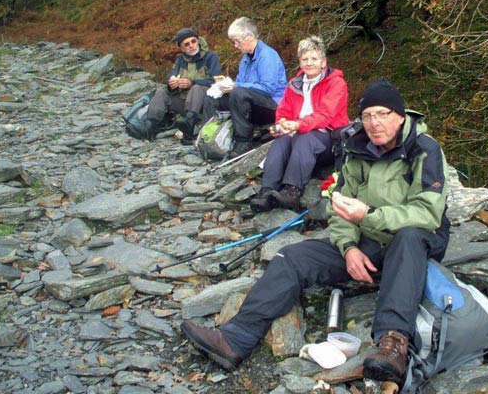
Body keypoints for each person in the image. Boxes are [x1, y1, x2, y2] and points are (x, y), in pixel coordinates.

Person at [180, 78, 451, 387]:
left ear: (400, 115)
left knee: (409, 236)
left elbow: (428, 213)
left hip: (416, 241)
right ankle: (236, 337)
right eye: (367, 115)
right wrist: (349, 247)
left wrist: (370, 215)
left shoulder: (424, 149)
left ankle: (392, 344)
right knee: (292, 256)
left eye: (383, 114)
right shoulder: (358, 147)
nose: (374, 123)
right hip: (369, 239)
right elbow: (340, 206)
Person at [249, 35, 349, 212]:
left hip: (329, 138)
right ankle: (267, 191)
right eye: (305, 59)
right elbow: (283, 110)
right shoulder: (294, 84)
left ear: (323, 62)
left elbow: (325, 115)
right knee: (281, 141)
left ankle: (292, 191)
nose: (309, 63)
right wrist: (282, 124)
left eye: (314, 58)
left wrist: (297, 125)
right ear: (300, 63)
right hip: (298, 132)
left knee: (305, 138)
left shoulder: (336, 84)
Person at [201, 17, 287, 156]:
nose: (235, 45)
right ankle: (208, 138)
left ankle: (243, 142)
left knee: (238, 93)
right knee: (212, 96)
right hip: (250, 101)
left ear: (250, 36)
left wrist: (236, 86)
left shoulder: (267, 55)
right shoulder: (245, 59)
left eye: (237, 41)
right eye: (233, 42)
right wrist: (225, 84)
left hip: (273, 106)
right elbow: (240, 84)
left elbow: (268, 88)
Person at [145, 27, 222, 144]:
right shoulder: (180, 60)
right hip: (183, 102)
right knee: (161, 92)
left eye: (193, 41)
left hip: (203, 104)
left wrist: (192, 82)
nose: (191, 45)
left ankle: (189, 129)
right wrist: (172, 83)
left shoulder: (211, 57)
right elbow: (171, 76)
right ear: (181, 48)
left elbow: (216, 81)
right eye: (186, 44)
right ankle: (150, 126)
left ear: (198, 41)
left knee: (196, 88)